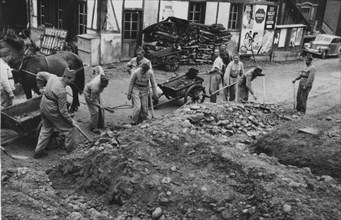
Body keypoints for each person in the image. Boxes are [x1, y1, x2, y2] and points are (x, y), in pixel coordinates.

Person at [34, 68, 77, 158]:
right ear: (66, 78)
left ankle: (38, 152)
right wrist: (71, 121)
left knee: (46, 129)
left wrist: (41, 88)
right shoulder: (62, 91)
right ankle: (71, 154)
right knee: (70, 129)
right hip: (51, 109)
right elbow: (63, 111)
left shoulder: (52, 77)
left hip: (43, 104)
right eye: (72, 80)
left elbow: (39, 74)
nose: (72, 82)